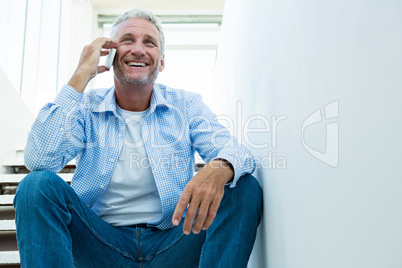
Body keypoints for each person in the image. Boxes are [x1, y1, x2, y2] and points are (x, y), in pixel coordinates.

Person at [14, 8, 262, 268]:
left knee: (242, 187)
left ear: (161, 61)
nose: (138, 49)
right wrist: (80, 76)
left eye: (149, 42)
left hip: (174, 243)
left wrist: (219, 167)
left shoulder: (186, 105)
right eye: (127, 40)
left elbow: (237, 152)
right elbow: (39, 160)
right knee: (36, 185)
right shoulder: (85, 108)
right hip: (100, 245)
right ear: (110, 55)